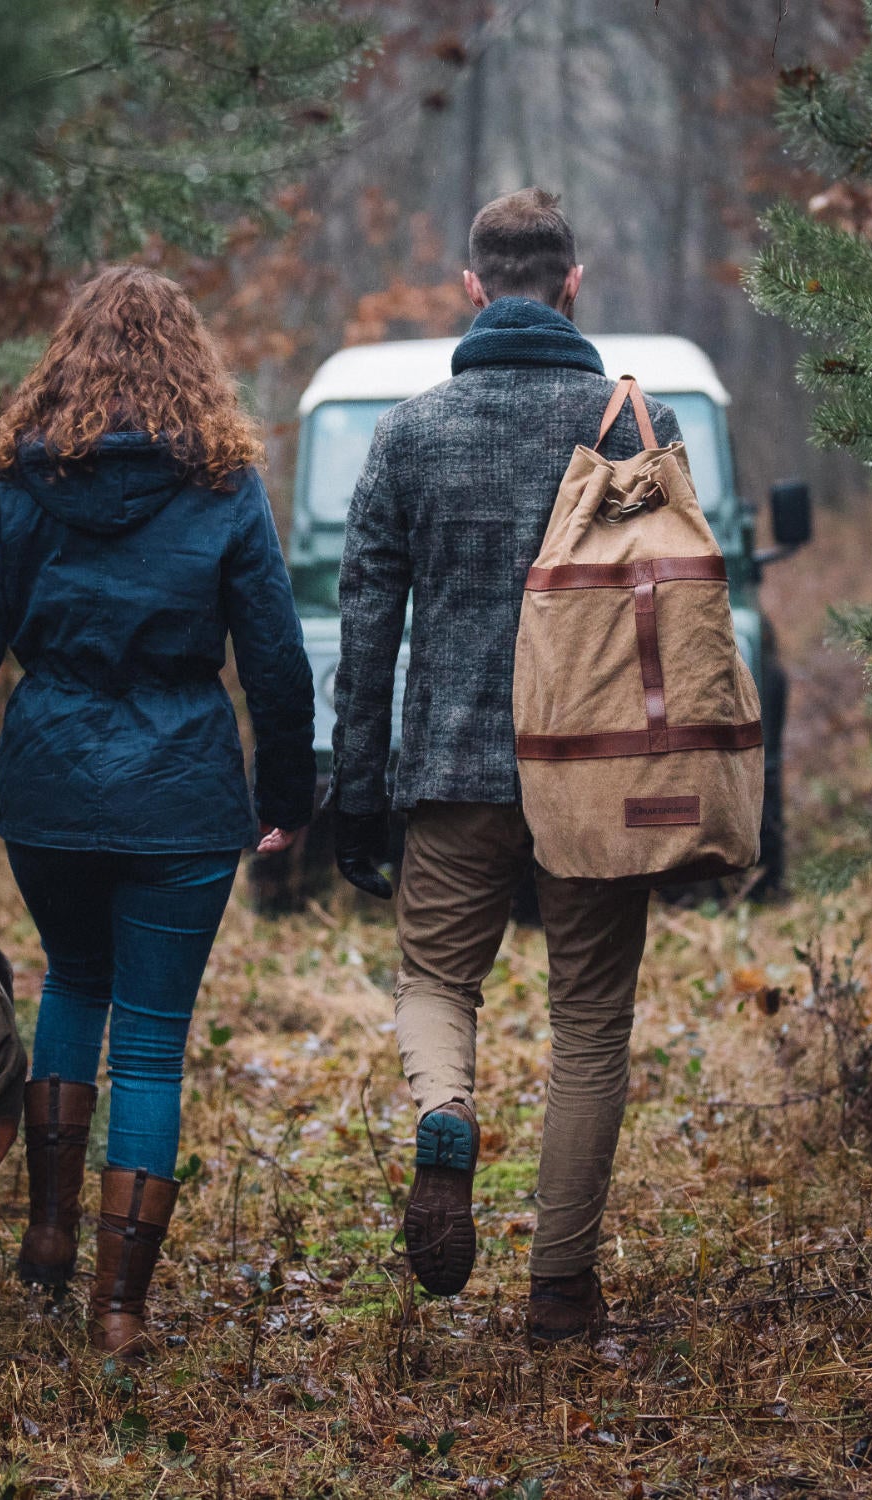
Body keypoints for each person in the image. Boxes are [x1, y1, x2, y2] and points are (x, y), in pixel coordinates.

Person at [0, 266, 315, 1358]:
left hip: (51, 790)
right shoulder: (223, 484)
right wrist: (285, 796)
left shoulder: (16, 480)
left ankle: (46, 1237)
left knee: (74, 984)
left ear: (65, 355)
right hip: (181, 793)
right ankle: (120, 1310)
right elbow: (272, 652)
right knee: (157, 1049)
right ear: (191, 361)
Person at [330, 188, 681, 1347]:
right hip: (592, 777)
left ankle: (446, 1114)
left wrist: (357, 791)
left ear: (472, 289)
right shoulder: (633, 428)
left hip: (453, 768)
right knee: (589, 1020)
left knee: (437, 983)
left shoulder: (411, 433)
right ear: (572, 285)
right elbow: (676, 625)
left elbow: (369, 621)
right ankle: (563, 1292)